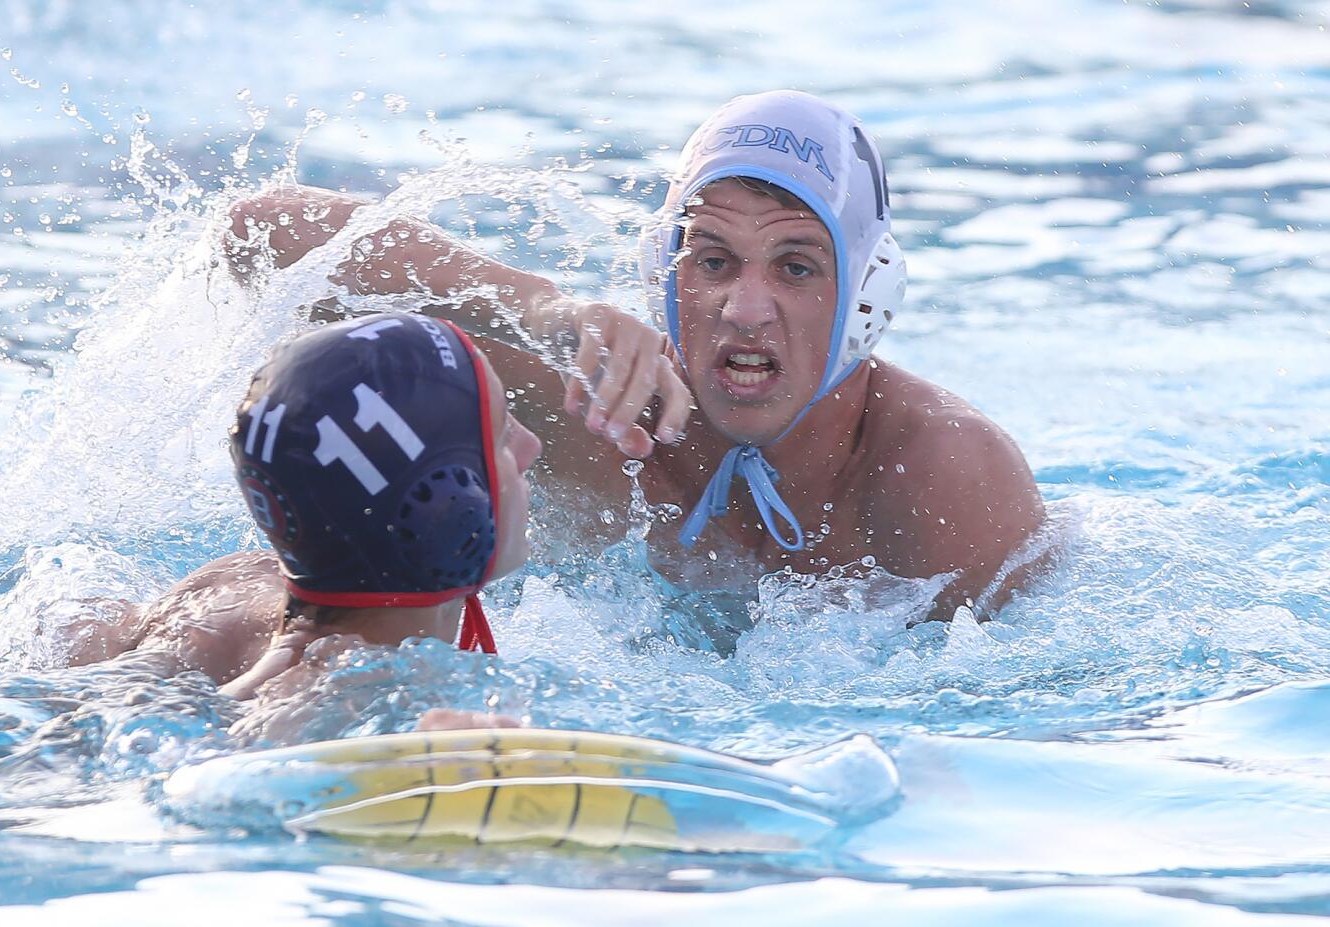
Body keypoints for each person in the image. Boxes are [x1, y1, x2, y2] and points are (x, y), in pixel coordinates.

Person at [227, 90, 1045, 620]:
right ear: (665, 271)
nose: (744, 309)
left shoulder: (941, 478)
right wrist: (537, 307)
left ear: (868, 293)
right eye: (713, 259)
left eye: (796, 267)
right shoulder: (587, 403)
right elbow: (263, 238)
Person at [72, 311, 542, 707]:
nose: (532, 447)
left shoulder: (236, 578)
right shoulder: (348, 686)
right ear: (440, 502)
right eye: (501, 435)